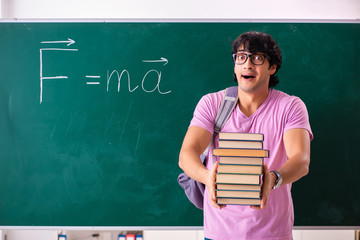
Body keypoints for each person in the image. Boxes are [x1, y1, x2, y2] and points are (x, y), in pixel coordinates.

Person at [178, 31, 313, 240]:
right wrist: (207, 177)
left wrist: (274, 178)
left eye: (257, 58)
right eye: (241, 57)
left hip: (273, 234)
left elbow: (301, 160)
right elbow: (188, 153)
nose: (247, 65)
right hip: (219, 233)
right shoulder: (212, 103)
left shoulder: (290, 107)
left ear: (273, 67)